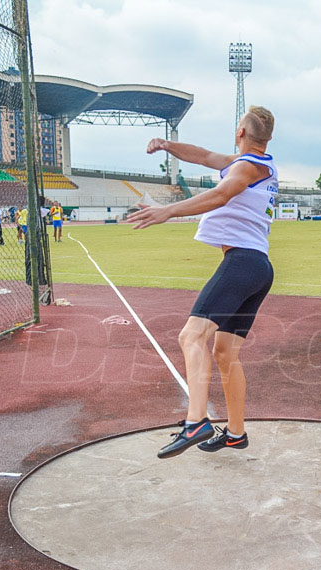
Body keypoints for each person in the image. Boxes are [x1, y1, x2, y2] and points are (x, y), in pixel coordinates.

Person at [126, 106, 277, 459]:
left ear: (240, 133)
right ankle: (236, 433)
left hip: (242, 262)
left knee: (190, 335)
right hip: (257, 267)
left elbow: (221, 194)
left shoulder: (244, 168)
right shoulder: (253, 163)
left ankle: (197, 421)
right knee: (225, 353)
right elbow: (205, 156)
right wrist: (167, 145)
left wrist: (167, 211)